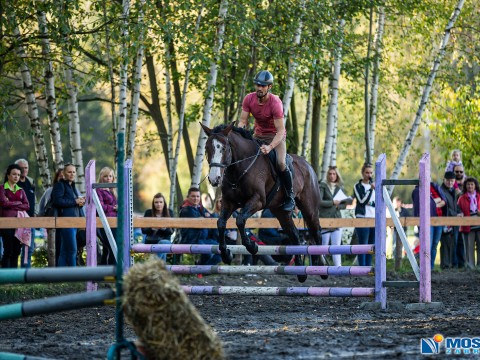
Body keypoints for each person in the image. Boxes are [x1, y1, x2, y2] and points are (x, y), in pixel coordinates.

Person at [238, 70, 294, 211]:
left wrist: (270, 147)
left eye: (263, 86)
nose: (259, 88)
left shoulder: (275, 103)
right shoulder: (249, 99)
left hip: (276, 137)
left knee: (281, 163)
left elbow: (281, 130)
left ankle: (290, 196)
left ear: (269, 87)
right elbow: (243, 121)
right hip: (258, 135)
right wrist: (239, 135)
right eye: (258, 85)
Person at [211, 198, 278, 266]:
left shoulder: (232, 213)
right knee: (250, 243)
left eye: (224, 201)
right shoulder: (215, 215)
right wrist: (228, 234)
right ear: (216, 204)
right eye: (220, 202)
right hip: (226, 240)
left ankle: (263, 264)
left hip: (240, 236)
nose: (223, 203)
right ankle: (268, 263)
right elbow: (216, 232)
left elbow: (240, 225)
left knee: (255, 243)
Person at [51, 164, 85, 267]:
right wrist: (75, 201)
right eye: (69, 172)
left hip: (75, 222)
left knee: (64, 250)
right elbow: (57, 201)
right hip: (66, 222)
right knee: (72, 250)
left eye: (74, 172)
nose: (72, 174)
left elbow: (72, 203)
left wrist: (80, 203)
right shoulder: (59, 185)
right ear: (64, 173)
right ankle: (73, 276)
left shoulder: (73, 186)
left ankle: (61, 276)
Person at [179, 187, 221, 265]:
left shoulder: (200, 208)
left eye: (197, 196)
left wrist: (204, 218)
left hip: (204, 239)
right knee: (207, 252)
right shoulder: (186, 210)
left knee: (222, 250)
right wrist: (205, 218)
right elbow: (200, 223)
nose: (196, 198)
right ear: (188, 197)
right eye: (193, 196)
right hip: (192, 240)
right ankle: (201, 270)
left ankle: (203, 270)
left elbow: (211, 218)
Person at [0, 164, 30, 268]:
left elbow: (27, 205)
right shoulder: (2, 188)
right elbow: (4, 203)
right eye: (14, 174)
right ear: (8, 175)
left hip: (19, 224)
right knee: (8, 250)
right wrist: (18, 203)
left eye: (18, 174)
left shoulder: (21, 190)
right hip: (6, 224)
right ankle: (4, 276)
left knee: (17, 250)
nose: (16, 176)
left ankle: (14, 276)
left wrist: (11, 202)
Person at [318, 166, 349, 266]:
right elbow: (319, 201)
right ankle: (321, 268)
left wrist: (338, 205)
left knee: (337, 246)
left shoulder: (340, 188)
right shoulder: (322, 186)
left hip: (337, 219)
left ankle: (338, 268)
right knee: (324, 246)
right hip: (325, 219)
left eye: (334, 174)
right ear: (327, 175)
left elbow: (344, 205)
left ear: (337, 175)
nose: (332, 176)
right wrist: (332, 202)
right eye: (330, 174)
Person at [412, 181, 446, 270]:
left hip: (438, 220)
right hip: (426, 221)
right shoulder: (417, 191)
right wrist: (436, 201)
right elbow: (422, 206)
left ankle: (431, 267)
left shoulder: (435, 187)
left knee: (434, 245)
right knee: (427, 245)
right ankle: (425, 268)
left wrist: (433, 202)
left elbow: (443, 201)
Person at [38, 169, 65, 265]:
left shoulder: (73, 190)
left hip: (70, 223)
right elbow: (42, 208)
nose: (62, 178)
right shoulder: (50, 191)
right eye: (60, 176)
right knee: (55, 247)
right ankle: (56, 270)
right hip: (53, 224)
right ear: (56, 178)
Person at [353, 163, 376, 266]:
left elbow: (379, 202)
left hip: (374, 218)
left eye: (371, 172)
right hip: (362, 218)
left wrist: (370, 203)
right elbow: (362, 201)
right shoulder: (357, 186)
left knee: (371, 246)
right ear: (362, 173)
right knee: (363, 244)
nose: (369, 175)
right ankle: (362, 268)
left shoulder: (376, 186)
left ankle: (369, 268)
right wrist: (370, 189)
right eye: (367, 172)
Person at [15, 159, 36, 268]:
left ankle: (25, 274)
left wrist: (36, 214)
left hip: (30, 221)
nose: (24, 170)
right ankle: (11, 276)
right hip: (16, 221)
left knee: (29, 249)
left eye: (26, 167)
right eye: (21, 168)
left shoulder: (31, 181)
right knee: (15, 250)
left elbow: (34, 200)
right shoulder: (13, 183)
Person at [439, 171, 461, 269]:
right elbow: (444, 208)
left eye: (452, 181)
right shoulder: (441, 191)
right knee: (445, 243)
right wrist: (456, 214)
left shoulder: (454, 191)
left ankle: (452, 264)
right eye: (448, 180)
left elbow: (456, 205)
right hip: (445, 221)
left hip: (454, 221)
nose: (450, 182)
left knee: (453, 243)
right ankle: (445, 265)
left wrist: (460, 213)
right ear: (444, 180)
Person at [142, 193, 173, 263]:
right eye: (156, 202)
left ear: (164, 203)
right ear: (153, 203)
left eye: (161, 202)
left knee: (162, 244)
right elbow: (143, 230)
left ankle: (152, 263)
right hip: (151, 240)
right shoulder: (148, 213)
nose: (158, 204)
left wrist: (163, 228)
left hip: (165, 240)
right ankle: (161, 270)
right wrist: (152, 228)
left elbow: (171, 231)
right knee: (162, 251)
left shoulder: (169, 212)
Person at [457, 177, 480, 270]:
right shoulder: (461, 198)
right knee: (468, 247)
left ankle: (479, 266)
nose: (470, 186)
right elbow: (458, 209)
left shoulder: (479, 196)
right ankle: (470, 267)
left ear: (475, 186)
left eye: (472, 184)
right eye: (468, 184)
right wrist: (460, 213)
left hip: (479, 225)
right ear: (465, 186)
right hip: (467, 226)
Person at [96, 167, 118, 265]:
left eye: (110, 176)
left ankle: (105, 271)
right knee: (113, 245)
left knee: (108, 248)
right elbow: (100, 207)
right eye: (105, 176)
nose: (108, 178)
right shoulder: (98, 190)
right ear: (101, 178)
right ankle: (113, 271)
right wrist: (113, 208)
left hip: (115, 222)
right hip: (105, 222)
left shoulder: (113, 190)